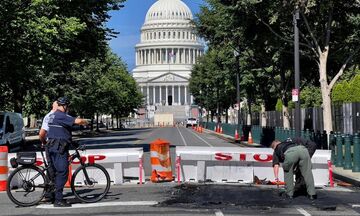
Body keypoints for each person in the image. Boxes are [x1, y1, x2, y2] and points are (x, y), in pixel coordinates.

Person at [46, 96, 88, 207]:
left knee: (55, 173)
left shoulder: (53, 115)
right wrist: (85, 121)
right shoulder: (61, 115)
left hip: (52, 146)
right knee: (63, 172)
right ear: (64, 106)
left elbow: (61, 130)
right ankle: (58, 200)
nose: (68, 108)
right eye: (67, 106)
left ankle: (52, 194)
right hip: (58, 148)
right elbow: (78, 121)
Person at [38, 101, 58, 203]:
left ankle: (52, 192)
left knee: (52, 168)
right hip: (51, 145)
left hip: (54, 144)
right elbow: (41, 133)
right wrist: (45, 142)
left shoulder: (54, 116)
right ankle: (49, 194)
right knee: (51, 169)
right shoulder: (50, 116)